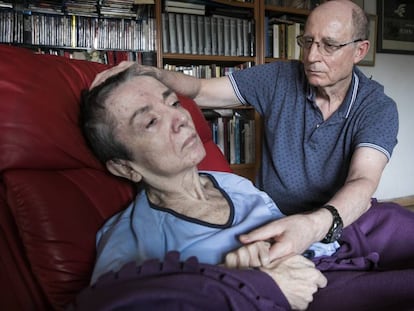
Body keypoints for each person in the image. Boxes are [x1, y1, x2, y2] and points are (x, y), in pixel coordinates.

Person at [90, 1, 400, 262]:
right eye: (307, 42)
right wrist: (151, 74)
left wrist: (317, 225)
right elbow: (199, 89)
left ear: (360, 50)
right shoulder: (279, 77)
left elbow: (363, 180)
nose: (312, 57)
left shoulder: (377, 107)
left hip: (335, 220)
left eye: (329, 46)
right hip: (273, 217)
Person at [81, 67, 329, 310]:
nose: (181, 119)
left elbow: (306, 243)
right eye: (151, 121)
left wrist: (281, 250)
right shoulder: (131, 240)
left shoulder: (234, 184)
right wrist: (244, 280)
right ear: (125, 168)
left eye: (174, 104)